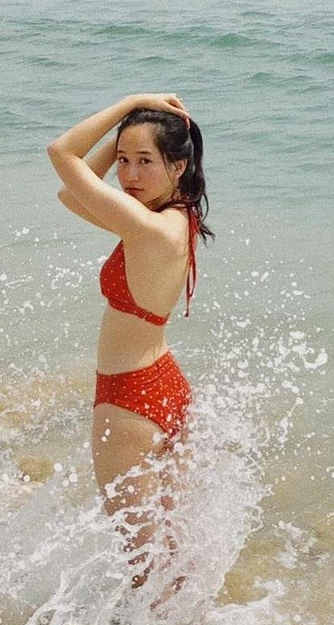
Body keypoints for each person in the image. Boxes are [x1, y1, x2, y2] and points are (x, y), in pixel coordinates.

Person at [47, 93, 213, 593]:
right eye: (123, 161)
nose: (130, 175)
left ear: (178, 166)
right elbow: (71, 195)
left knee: (145, 567)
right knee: (172, 553)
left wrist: (131, 104)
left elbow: (62, 154)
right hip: (167, 386)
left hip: (129, 401)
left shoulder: (144, 226)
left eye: (145, 161)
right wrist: (128, 140)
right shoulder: (175, 217)